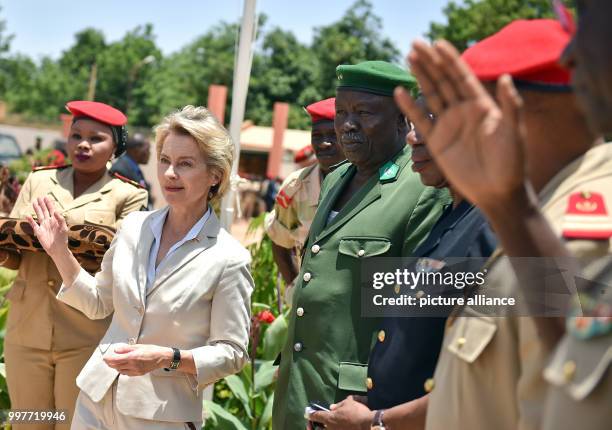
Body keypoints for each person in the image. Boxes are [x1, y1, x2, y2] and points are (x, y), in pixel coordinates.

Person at [394, 18, 612, 430]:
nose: (419, 137)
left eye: (457, 112)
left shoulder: (579, 230)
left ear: (516, 108)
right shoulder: (531, 212)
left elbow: (583, 395)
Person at [26, 105, 253, 429]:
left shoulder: (229, 258)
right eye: (165, 161)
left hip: (162, 415)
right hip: (95, 396)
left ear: (215, 175)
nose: (170, 173)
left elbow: (233, 353)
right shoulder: (134, 227)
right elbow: (98, 303)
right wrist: (59, 251)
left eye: (185, 164)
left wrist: (167, 358)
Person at [272, 61, 450, 430]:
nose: (346, 124)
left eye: (363, 113)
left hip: (355, 400)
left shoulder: (420, 189)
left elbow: (415, 313)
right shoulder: (337, 176)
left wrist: (378, 405)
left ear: (403, 119)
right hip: (301, 389)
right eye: (341, 113)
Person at [309, 100, 497, 429]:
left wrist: (376, 421)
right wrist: (376, 401)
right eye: (414, 124)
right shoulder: (452, 216)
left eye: (432, 123)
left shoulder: (497, 228)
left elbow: (491, 382)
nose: (414, 138)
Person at [0, 100, 148, 430]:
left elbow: (123, 259)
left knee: (74, 424)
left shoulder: (128, 195)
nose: (83, 144)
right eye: (76, 135)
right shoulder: (39, 181)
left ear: (115, 147)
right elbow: (16, 254)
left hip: (84, 333)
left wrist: (61, 246)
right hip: (28, 327)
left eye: (96, 138)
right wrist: (4, 252)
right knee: (29, 423)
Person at [265, 97, 345, 291]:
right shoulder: (296, 187)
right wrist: (295, 289)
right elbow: (280, 242)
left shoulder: (372, 184)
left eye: (332, 135)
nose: (324, 143)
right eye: (317, 135)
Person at [110, 132, 153, 209]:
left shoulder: (133, 166)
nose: (149, 153)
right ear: (135, 150)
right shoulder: (120, 170)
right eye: (147, 149)